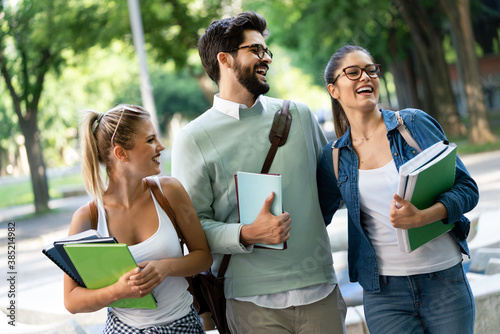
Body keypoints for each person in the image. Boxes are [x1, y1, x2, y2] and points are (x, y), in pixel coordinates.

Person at [171, 11, 347, 334]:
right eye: (255, 50)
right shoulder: (192, 139)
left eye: (266, 51)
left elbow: (330, 189)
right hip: (251, 302)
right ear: (224, 59)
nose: (265, 58)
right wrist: (247, 233)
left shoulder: (300, 115)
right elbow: (191, 229)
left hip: (319, 288)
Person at [317, 45, 479, 334]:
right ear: (334, 90)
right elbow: (315, 216)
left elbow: (467, 189)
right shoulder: (334, 157)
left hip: (444, 280)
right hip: (384, 293)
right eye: (352, 73)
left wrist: (423, 217)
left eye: (370, 70)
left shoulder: (413, 124)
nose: (365, 77)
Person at [64, 104, 212, 333]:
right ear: (121, 153)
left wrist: (165, 267)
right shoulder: (88, 218)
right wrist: (118, 291)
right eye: (150, 140)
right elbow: (71, 300)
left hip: (184, 325)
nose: (160, 147)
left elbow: (204, 257)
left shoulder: (169, 192)